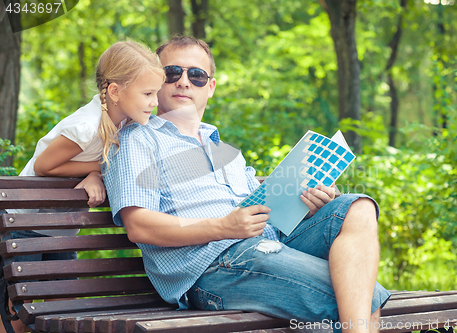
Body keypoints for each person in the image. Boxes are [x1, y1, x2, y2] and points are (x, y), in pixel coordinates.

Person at [102, 36, 391, 333]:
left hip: (269, 245)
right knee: (362, 297)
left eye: (196, 75)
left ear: (210, 87)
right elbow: (139, 226)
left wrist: (306, 204)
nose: (184, 82)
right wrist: (223, 228)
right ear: (155, 81)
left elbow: (266, 213)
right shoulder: (138, 139)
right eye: (172, 73)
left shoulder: (226, 151)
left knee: (357, 207)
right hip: (211, 267)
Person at [0, 40, 164, 333]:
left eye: (156, 93)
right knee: (17, 310)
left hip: (61, 229)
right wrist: (96, 171)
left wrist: (93, 176)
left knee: (62, 302)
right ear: (115, 91)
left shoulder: (126, 124)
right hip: (25, 222)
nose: (155, 101)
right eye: (148, 93)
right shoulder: (86, 126)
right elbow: (44, 167)